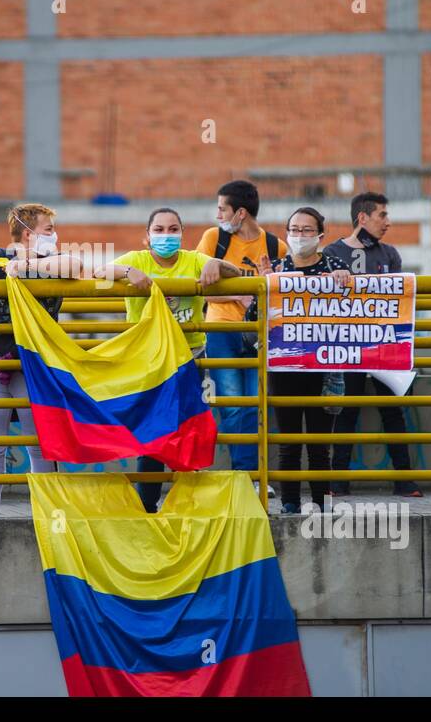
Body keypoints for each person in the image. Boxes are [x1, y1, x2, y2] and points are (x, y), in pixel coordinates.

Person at [0, 203, 83, 517]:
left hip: (32, 367)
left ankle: (48, 516)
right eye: (49, 230)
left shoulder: (56, 260)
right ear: (27, 232)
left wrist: (25, 268)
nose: (55, 236)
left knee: (40, 443)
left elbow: (75, 266)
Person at [108, 208, 242, 512]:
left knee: (190, 430)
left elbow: (236, 273)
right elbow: (98, 272)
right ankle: (148, 505)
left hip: (189, 360)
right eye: (159, 229)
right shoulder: (136, 259)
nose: (166, 235)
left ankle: (188, 503)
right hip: (149, 362)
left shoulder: (193, 259)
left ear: (182, 234)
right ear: (146, 236)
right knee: (153, 433)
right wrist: (129, 273)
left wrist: (213, 263)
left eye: (173, 229)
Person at [321, 192, 422, 498]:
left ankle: (405, 481)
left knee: (393, 412)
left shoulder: (390, 254)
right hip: (347, 346)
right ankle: (337, 482)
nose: (388, 222)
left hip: (383, 346)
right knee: (345, 412)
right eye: (382, 215)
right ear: (362, 218)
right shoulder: (332, 252)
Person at [194, 180, 287, 484]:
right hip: (222, 330)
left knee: (256, 404)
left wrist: (266, 284)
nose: (218, 214)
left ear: (241, 213)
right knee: (234, 405)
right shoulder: (213, 239)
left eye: (222, 208)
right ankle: (243, 477)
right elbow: (200, 291)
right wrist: (238, 295)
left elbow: (282, 298)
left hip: (259, 334)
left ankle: (252, 476)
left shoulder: (276, 247)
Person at [266, 206, 351, 514]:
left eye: (306, 230)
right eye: (294, 229)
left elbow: (357, 313)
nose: (299, 235)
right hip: (285, 367)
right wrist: (263, 287)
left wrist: (345, 281)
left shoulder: (335, 264)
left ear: (320, 235)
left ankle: (322, 505)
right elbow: (253, 321)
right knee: (288, 442)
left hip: (324, 368)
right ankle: (290, 504)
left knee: (319, 444)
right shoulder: (275, 268)